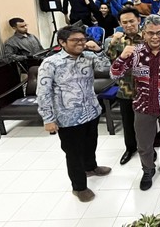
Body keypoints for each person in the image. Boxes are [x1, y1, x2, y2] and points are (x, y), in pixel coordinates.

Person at [36, 25, 112, 203]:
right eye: (75, 40)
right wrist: (48, 118)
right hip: (67, 116)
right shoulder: (51, 63)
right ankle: (79, 187)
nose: (81, 43)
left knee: (90, 144)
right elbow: (43, 92)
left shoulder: (88, 57)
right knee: (73, 153)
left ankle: (91, 167)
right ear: (62, 42)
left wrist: (99, 50)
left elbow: (108, 68)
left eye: (83, 40)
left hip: (91, 111)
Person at [110, 15, 160, 191]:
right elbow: (115, 74)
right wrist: (121, 58)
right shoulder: (135, 53)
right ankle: (148, 170)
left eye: (159, 33)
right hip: (142, 105)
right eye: (150, 33)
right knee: (144, 143)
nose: (155, 37)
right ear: (144, 33)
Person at [106, 8, 143, 165]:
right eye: (125, 22)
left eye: (131, 21)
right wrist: (113, 43)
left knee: (145, 123)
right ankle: (130, 148)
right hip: (125, 89)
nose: (128, 25)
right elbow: (109, 61)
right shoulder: (118, 41)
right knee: (128, 123)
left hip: (145, 90)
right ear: (120, 24)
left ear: (138, 20)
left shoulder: (149, 38)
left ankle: (147, 148)